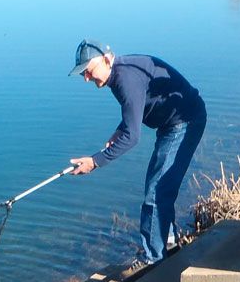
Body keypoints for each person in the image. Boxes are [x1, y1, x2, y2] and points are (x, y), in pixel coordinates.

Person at [68, 40, 207, 268]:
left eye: (89, 71)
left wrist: (95, 162)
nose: (87, 78)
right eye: (83, 74)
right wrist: (120, 128)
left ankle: (153, 258)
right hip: (173, 123)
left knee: (156, 191)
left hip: (184, 122)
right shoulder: (118, 75)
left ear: (106, 59)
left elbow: (133, 137)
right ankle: (168, 242)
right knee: (159, 186)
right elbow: (137, 109)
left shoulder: (125, 80)